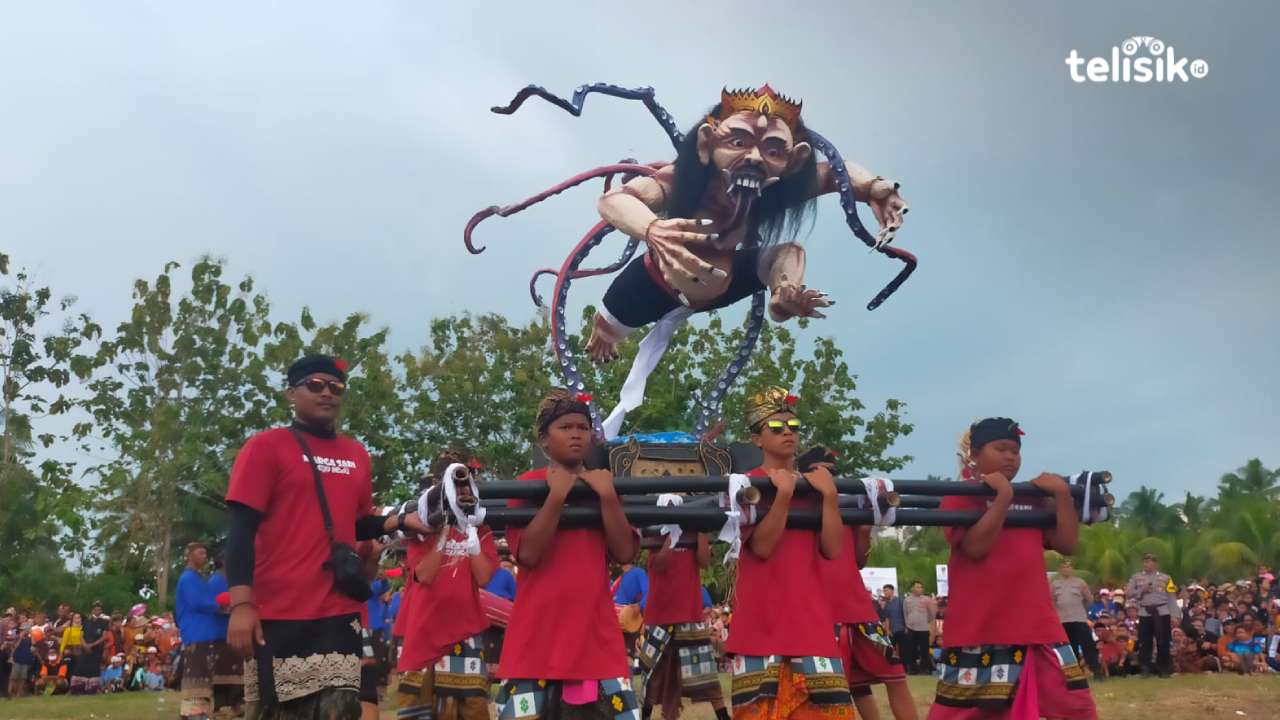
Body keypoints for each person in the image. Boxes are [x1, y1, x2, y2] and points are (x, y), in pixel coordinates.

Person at [224, 354, 432, 720]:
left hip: (340, 613)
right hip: (279, 613)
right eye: (315, 386)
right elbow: (240, 531)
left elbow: (358, 523)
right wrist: (241, 605)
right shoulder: (265, 447)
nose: (327, 394)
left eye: (336, 388)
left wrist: (400, 521)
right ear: (291, 392)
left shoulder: (356, 454)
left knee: (341, 711)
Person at [929, 418, 1096, 720]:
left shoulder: (1031, 496)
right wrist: (1003, 498)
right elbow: (975, 548)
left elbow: (1068, 544)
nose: (1010, 457)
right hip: (980, 626)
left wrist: (1060, 496)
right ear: (975, 455)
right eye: (1001, 449)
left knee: (1078, 708)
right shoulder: (961, 492)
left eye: (1016, 451)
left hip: (1038, 626)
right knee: (966, 714)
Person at [495, 388, 641, 720]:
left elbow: (624, 552)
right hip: (537, 638)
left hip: (595, 637)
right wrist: (556, 497)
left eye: (582, 426)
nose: (576, 433)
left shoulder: (603, 485)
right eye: (565, 427)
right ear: (544, 440)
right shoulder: (527, 484)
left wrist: (606, 497)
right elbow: (527, 555)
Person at [725, 387, 854, 720]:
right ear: (756, 438)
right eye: (777, 427)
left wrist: (828, 497)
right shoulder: (744, 484)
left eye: (794, 426)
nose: (788, 433)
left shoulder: (816, 485)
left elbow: (834, 548)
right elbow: (763, 547)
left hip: (811, 623)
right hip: (760, 624)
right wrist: (783, 495)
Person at [809, 445, 917, 720]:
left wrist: (865, 530)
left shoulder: (847, 507)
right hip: (821, 610)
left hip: (858, 608)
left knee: (895, 677)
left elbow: (857, 561)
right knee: (841, 689)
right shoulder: (799, 511)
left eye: (833, 472)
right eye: (821, 471)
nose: (829, 476)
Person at [394, 453, 499, 720]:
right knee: (416, 707)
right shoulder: (420, 524)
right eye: (454, 486)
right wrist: (444, 528)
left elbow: (484, 577)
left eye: (465, 485)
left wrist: (469, 530)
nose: (460, 491)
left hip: (465, 627)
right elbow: (425, 575)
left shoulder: (481, 527)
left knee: (473, 707)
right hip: (423, 628)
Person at [637, 531, 728, 720]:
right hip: (661, 615)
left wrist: (700, 531)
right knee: (652, 680)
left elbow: (704, 561)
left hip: (690, 614)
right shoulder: (655, 528)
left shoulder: (692, 528)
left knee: (708, 679)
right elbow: (658, 565)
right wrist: (672, 538)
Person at [177, 542, 224, 719]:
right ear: (189, 555)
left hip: (204, 634)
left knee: (206, 677)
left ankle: (204, 713)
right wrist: (221, 606)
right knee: (198, 677)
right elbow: (197, 602)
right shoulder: (188, 578)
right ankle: (194, 714)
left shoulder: (198, 578)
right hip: (196, 634)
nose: (204, 556)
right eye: (200, 553)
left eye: (205, 553)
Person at [1125, 552, 1178, 677]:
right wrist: (1141, 590)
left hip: (1162, 611)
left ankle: (1164, 669)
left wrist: (1175, 614)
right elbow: (1128, 593)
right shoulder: (1136, 577)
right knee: (1145, 642)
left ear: (1155, 563)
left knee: (1163, 641)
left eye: (1150, 562)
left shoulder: (1166, 578)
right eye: (1145, 561)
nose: (1147, 564)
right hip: (1145, 613)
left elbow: (1172, 597)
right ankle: (1145, 668)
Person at [1051, 558, 1101, 677]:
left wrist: (1081, 611)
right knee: (1068, 648)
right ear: (1059, 569)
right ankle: (1072, 674)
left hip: (1079, 619)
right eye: (1063, 567)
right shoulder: (1054, 585)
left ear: (1072, 569)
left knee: (1088, 645)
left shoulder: (1080, 583)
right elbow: (1052, 602)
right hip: (1063, 620)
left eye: (1068, 566)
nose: (1066, 569)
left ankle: (1096, 671)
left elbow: (1089, 601)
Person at [903, 582, 937, 675]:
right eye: (918, 587)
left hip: (924, 629)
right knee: (911, 650)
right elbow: (905, 614)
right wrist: (907, 625)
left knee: (924, 650)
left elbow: (932, 614)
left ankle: (925, 669)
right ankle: (913, 669)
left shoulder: (927, 599)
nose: (920, 589)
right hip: (911, 628)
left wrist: (927, 623)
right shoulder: (907, 600)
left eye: (921, 587)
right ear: (912, 589)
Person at [881, 585, 907, 664]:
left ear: (892, 591)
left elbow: (905, 614)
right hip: (892, 631)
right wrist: (888, 630)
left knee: (903, 649)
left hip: (901, 629)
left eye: (886, 590)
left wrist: (906, 627)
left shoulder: (900, 601)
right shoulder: (887, 604)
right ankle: (888, 666)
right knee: (890, 648)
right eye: (884, 591)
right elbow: (887, 618)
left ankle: (904, 667)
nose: (885, 592)